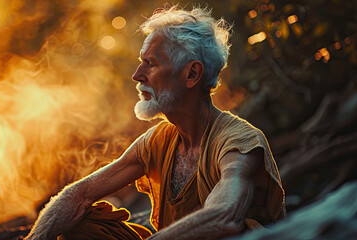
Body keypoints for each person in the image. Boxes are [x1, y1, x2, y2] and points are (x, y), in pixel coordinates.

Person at [25, 5, 285, 240]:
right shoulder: (158, 140)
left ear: (192, 74)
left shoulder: (239, 142)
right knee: (81, 223)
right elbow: (79, 194)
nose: (137, 75)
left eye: (150, 64)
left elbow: (223, 216)